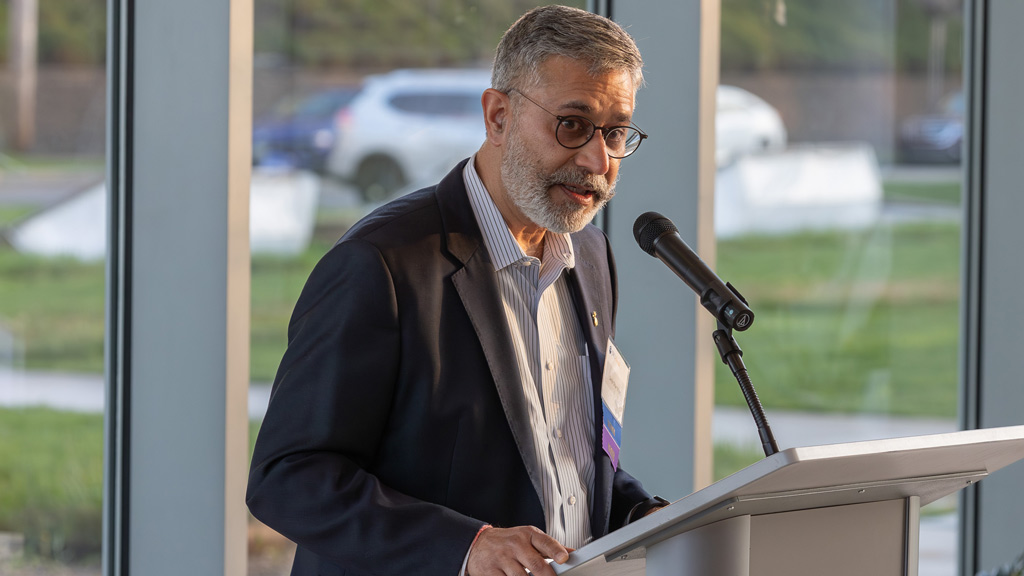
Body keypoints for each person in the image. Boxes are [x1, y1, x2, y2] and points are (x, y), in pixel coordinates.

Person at [246, 6, 665, 576]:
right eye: (572, 125)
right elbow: (288, 478)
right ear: (498, 117)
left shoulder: (590, 256)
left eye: (616, 132)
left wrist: (639, 511)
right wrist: (464, 547)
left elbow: (565, 457)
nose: (598, 161)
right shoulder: (379, 266)